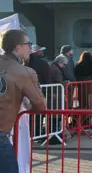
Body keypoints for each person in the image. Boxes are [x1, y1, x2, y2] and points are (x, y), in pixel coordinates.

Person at [0, 29, 46, 172]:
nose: (30, 48)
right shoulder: (24, 72)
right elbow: (41, 107)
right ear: (17, 47)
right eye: (28, 44)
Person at [74, 51, 92, 129]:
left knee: (83, 106)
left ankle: (83, 123)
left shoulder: (78, 66)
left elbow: (77, 79)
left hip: (82, 89)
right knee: (91, 106)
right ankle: (89, 123)